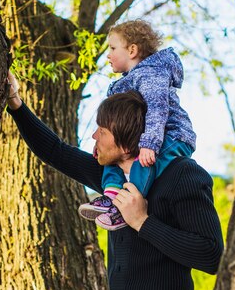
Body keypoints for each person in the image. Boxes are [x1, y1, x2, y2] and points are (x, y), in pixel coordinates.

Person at [5, 71, 224, 290]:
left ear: (124, 142)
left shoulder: (183, 174)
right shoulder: (112, 178)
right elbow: (54, 150)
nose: (94, 137)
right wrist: (15, 103)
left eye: (102, 130)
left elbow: (211, 254)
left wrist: (142, 222)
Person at [78, 20, 197, 231]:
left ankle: (127, 205)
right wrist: (102, 145)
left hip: (171, 136)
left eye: (113, 48)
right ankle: (112, 195)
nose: (108, 54)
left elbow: (157, 110)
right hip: (144, 139)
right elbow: (115, 125)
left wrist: (149, 144)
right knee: (112, 160)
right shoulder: (125, 82)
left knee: (143, 163)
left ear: (132, 50)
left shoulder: (151, 74)